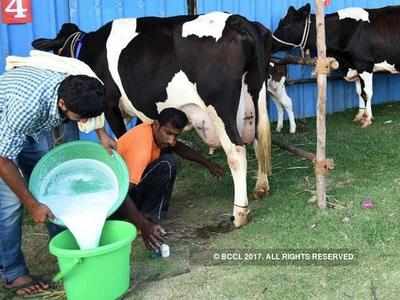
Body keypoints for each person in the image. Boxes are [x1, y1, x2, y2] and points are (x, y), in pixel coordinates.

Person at [0, 66, 115, 296]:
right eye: (80, 118)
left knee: (49, 183)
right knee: (10, 204)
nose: (84, 122)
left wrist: (103, 134)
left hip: (32, 123)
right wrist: (32, 205)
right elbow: (3, 160)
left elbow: (92, 107)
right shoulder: (27, 109)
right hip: (5, 124)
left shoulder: (79, 86)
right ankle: (13, 273)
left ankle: (67, 248)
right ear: (63, 105)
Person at [115, 108, 224, 251]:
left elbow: (178, 147)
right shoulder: (141, 149)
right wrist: (143, 225)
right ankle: (147, 224)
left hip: (124, 194)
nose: (172, 141)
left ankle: (149, 219)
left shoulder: (153, 133)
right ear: (156, 125)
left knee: (167, 160)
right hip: (113, 204)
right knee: (167, 163)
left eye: (176, 135)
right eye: (168, 133)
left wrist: (207, 163)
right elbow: (120, 194)